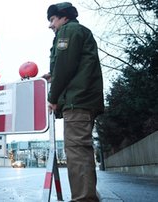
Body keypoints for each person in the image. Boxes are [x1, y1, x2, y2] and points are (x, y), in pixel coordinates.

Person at [45, 2, 104, 201]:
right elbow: (72, 66)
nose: (50, 25)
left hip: (77, 102)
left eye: (52, 19)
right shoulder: (78, 32)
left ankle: (84, 198)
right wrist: (53, 75)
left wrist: (52, 98)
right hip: (84, 100)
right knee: (82, 150)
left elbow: (64, 67)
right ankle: (89, 194)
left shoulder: (68, 31)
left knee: (77, 152)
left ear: (63, 17)